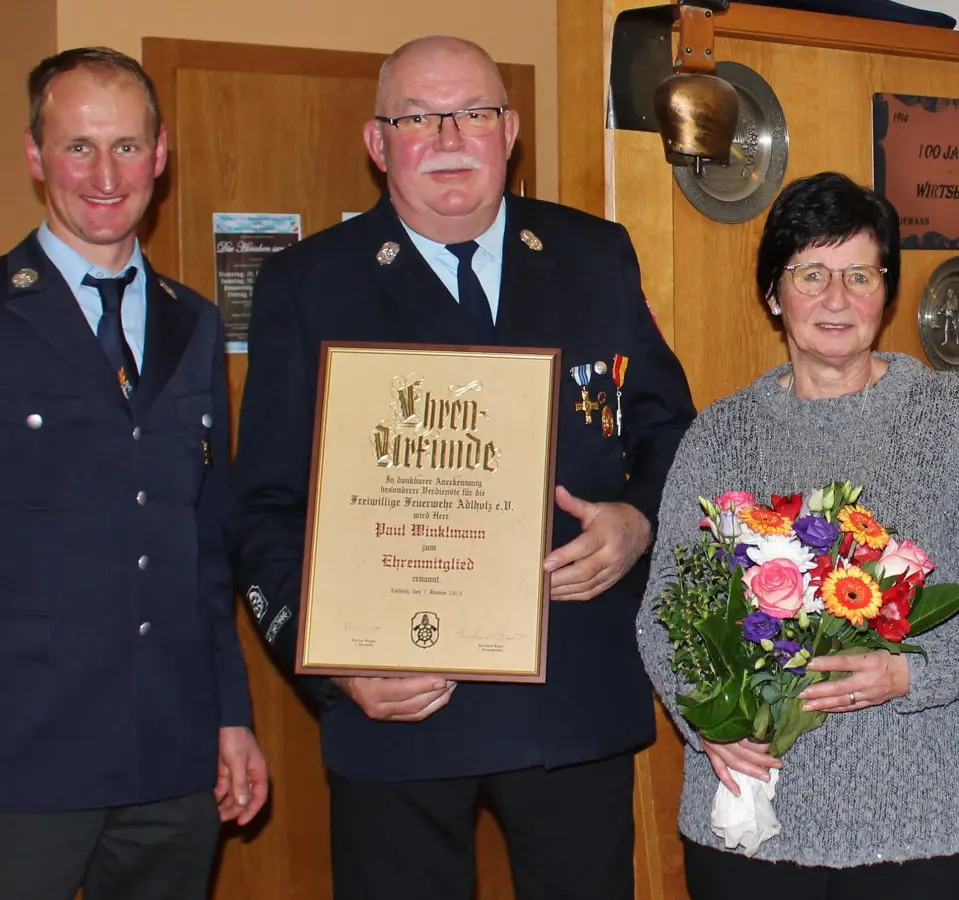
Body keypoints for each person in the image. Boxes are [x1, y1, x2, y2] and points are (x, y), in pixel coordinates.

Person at [227, 34, 696, 900]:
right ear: (378, 143)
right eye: (418, 117)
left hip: (571, 694)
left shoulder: (596, 256)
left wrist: (638, 522)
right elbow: (264, 504)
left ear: (509, 131)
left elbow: (673, 434)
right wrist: (329, 662)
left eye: (473, 113)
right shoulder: (311, 284)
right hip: (397, 704)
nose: (449, 137)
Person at [635, 171, 959, 899]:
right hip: (755, 826)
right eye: (811, 273)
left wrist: (913, 673)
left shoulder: (954, 419)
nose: (837, 299)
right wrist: (705, 723)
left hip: (928, 826)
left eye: (860, 274)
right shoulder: (721, 436)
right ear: (773, 294)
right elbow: (665, 611)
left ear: (888, 291)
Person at [0, 47, 266, 900]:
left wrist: (231, 714)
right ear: (37, 158)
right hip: (24, 759)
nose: (105, 174)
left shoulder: (192, 325)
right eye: (78, 147)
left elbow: (205, 547)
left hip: (171, 751)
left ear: (162, 154)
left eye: (126, 145)